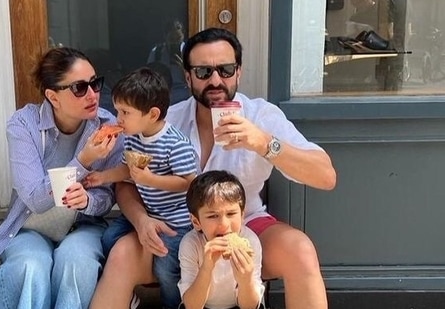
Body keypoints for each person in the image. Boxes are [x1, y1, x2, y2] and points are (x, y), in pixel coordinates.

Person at [91, 28, 336, 309]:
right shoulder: (165, 120)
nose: (216, 80)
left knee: (300, 251)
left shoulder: (261, 115)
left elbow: (325, 175)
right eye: (204, 72)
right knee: (121, 253)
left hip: (243, 222)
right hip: (174, 226)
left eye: (226, 69)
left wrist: (264, 143)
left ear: (239, 72)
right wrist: (140, 220)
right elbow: (127, 180)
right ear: (188, 77)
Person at [0, 47, 124, 309]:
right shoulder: (23, 125)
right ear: (53, 97)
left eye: (95, 83)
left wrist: (87, 202)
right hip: (30, 225)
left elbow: (108, 197)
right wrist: (83, 160)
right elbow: (36, 200)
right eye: (79, 88)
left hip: (84, 226)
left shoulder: (107, 125)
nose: (93, 94)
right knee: (29, 266)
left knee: (77, 263)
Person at [86, 67, 198, 309]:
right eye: (117, 111)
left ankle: (174, 303)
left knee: (166, 268)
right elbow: (128, 170)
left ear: (152, 114)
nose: (119, 119)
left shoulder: (175, 144)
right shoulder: (133, 136)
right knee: (108, 238)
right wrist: (102, 177)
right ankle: (127, 294)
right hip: (148, 211)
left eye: (125, 112)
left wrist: (151, 180)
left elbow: (190, 183)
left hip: (175, 222)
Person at [178, 170, 264, 309]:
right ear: (196, 221)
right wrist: (207, 268)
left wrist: (245, 280)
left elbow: (250, 306)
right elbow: (191, 305)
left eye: (231, 213)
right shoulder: (191, 244)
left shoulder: (250, 241)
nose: (224, 224)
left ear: (242, 215)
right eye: (212, 216)